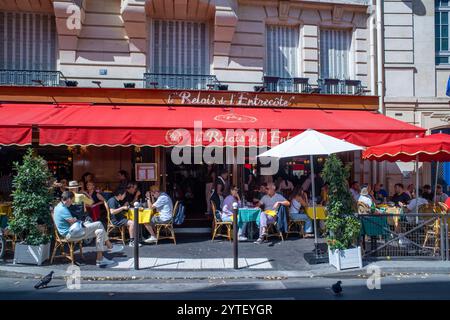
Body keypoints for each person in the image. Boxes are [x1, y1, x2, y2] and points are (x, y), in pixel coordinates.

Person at [54, 191, 123, 267]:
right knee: (99, 223)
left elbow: (72, 222)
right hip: (71, 234)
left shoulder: (58, 206)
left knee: (100, 231)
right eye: (73, 200)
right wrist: (79, 221)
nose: (73, 202)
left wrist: (79, 221)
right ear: (69, 199)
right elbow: (73, 223)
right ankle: (110, 246)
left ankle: (100, 259)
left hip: (72, 231)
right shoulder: (63, 209)